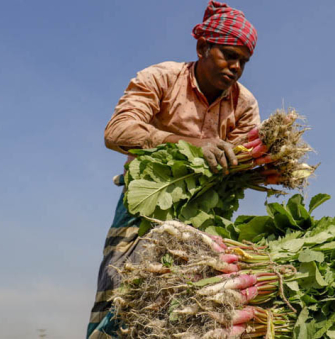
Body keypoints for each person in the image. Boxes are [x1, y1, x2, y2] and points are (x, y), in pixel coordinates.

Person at [87, 2, 260, 338]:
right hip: (145, 204)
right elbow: (117, 131)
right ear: (202, 48)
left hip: (206, 215)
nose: (236, 67)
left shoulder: (244, 103)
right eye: (228, 55)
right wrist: (189, 144)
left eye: (243, 61)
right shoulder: (161, 77)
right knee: (118, 291)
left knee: (187, 306)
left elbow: (241, 164)